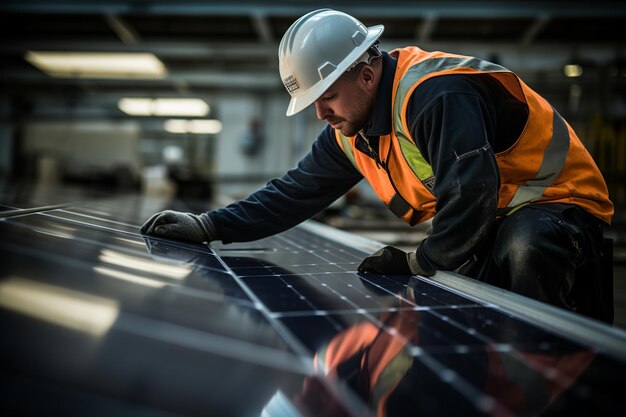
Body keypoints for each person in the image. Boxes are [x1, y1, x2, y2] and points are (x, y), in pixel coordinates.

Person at [141, 9, 614, 321]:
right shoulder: (353, 132)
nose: (321, 114)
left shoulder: (434, 95)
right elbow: (292, 194)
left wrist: (416, 260)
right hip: (491, 223)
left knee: (523, 248)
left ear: (366, 74)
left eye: (326, 97)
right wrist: (208, 225)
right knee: (466, 315)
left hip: (561, 213)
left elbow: (471, 193)